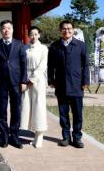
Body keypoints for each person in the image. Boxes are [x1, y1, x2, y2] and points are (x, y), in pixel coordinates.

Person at [48, 20, 90, 148]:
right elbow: (50, 66)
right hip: (61, 85)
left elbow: (86, 65)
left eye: (69, 28)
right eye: (64, 29)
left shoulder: (81, 45)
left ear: (73, 30)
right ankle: (66, 137)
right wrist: (51, 80)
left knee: (77, 114)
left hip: (77, 85)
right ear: (60, 30)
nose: (67, 31)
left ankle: (77, 138)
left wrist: (85, 81)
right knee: (63, 113)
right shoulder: (54, 46)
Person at [0, 20, 27, 149]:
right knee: (2, 110)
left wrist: (23, 81)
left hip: (16, 81)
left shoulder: (19, 44)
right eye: (4, 28)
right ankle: (4, 136)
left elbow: (24, 64)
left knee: (16, 109)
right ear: (1, 31)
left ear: (12, 30)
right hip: (1, 81)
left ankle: (15, 136)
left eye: (8, 28)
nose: (6, 30)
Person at [20, 26, 48, 148]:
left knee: (39, 106)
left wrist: (33, 79)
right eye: (31, 34)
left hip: (38, 80)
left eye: (36, 34)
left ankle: (40, 135)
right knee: (27, 106)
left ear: (39, 35)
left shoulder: (43, 48)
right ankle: (33, 134)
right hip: (26, 79)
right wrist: (24, 79)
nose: (33, 36)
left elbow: (43, 66)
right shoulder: (25, 48)